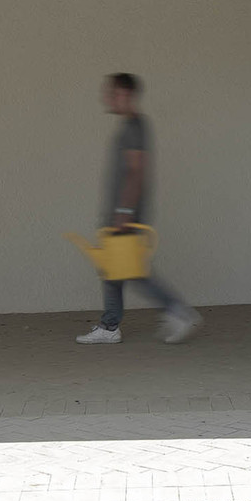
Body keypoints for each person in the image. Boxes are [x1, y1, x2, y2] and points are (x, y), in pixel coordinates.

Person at [76, 73, 202, 345]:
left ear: (126, 95)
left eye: (112, 93)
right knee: (112, 269)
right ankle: (110, 326)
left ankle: (177, 311)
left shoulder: (134, 127)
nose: (107, 98)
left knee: (132, 271)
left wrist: (124, 211)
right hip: (121, 215)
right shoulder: (130, 127)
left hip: (125, 215)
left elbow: (135, 171)